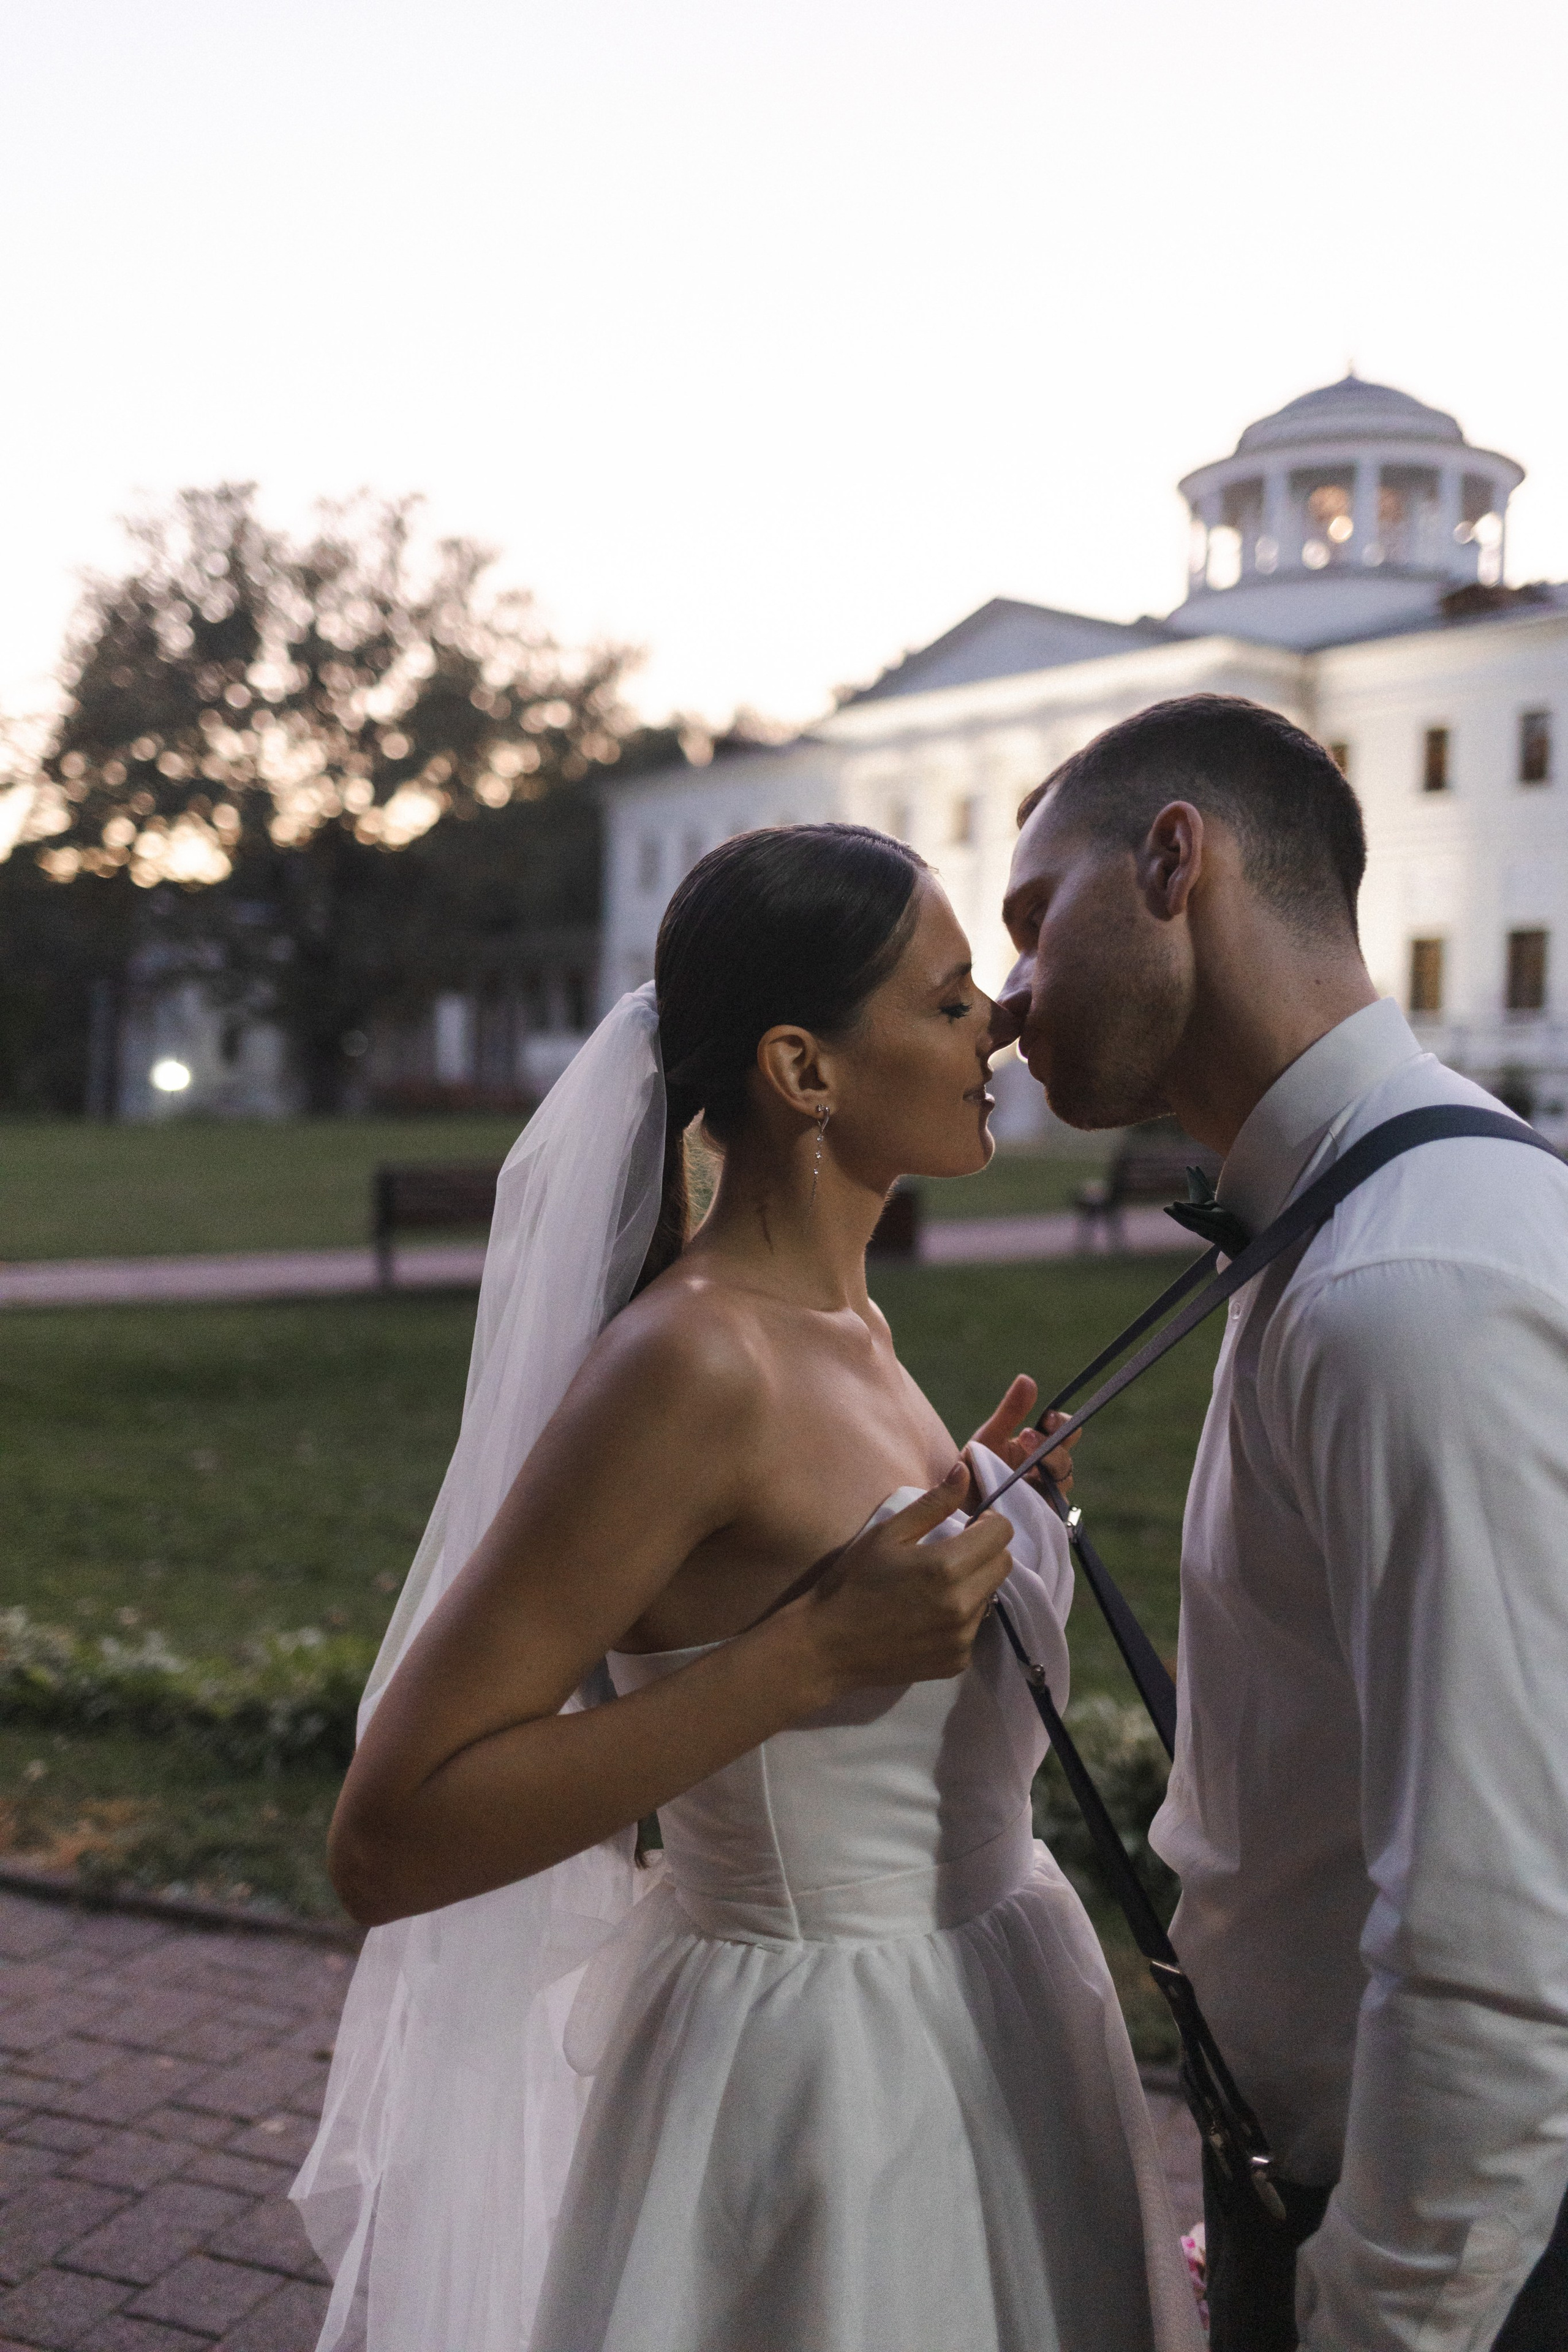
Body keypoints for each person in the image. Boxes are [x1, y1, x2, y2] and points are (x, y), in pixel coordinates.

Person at [293, 823, 1205, 2352]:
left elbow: (793, 1569)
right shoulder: (689, 1360)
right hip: (822, 2078)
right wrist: (801, 1659)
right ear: (803, 1071)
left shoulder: (845, 1325)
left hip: (994, 2005)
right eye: (945, 997)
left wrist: (972, 1504)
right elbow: (388, 1838)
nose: (998, 1023)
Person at [995, 693, 1568, 2352]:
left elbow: (1499, 1914)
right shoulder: (1356, 1222)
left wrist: (1381, 2316)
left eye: (1035, 920)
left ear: (1176, 860)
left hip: (1449, 2264)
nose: (1011, 993)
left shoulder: (1413, 1282)